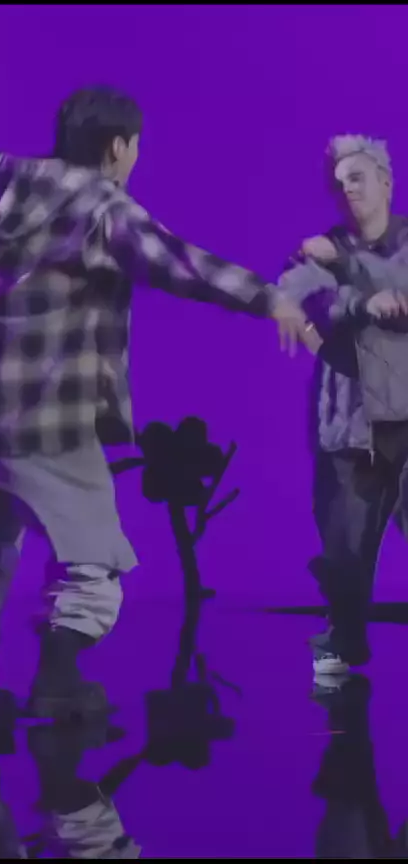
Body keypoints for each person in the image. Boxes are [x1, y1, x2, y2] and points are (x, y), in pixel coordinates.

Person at [0, 85, 306, 720]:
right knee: (90, 560)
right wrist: (270, 299)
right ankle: (58, 682)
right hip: (52, 426)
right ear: (116, 147)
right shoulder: (100, 206)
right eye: (134, 149)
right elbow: (179, 263)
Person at [276, 134, 408, 678]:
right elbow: (298, 298)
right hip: (354, 426)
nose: (346, 189)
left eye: (356, 177)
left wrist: (352, 269)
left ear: (386, 182)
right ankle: (344, 644)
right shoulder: (320, 252)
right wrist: (359, 301)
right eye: (337, 184)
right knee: (345, 548)